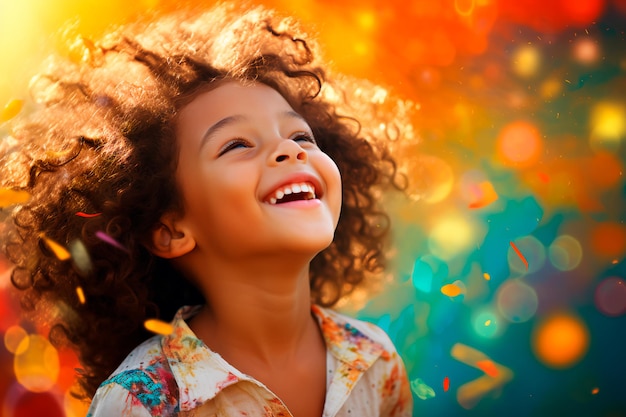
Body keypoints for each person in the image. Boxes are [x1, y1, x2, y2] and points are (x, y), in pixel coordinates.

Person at [0, 2, 413, 416]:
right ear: (171, 230)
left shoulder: (375, 361)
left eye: (301, 136)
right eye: (237, 145)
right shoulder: (140, 402)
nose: (289, 150)